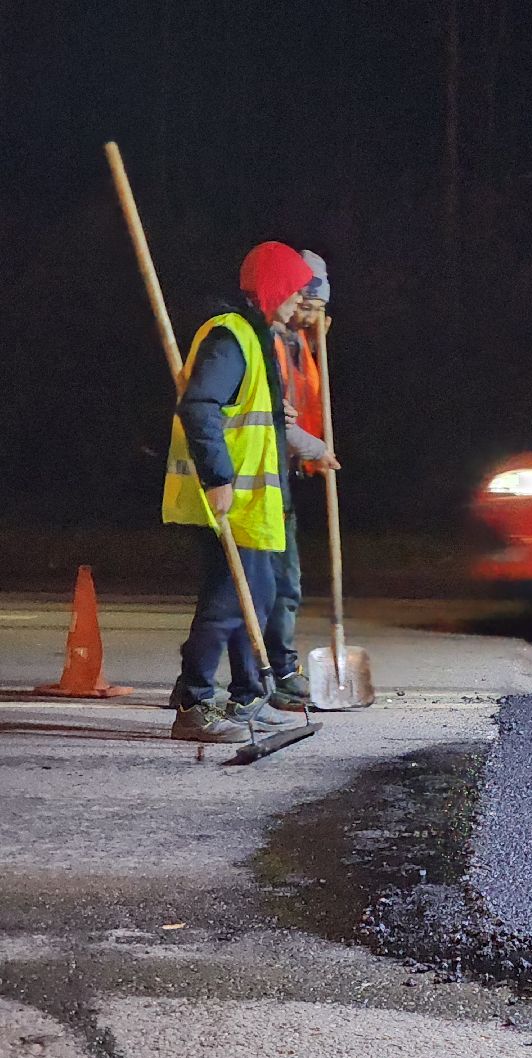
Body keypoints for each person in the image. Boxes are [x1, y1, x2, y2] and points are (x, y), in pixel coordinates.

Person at [164, 241, 321, 742]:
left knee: (256, 596)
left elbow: (256, 420)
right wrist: (218, 477)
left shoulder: (256, 338)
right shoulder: (230, 338)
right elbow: (200, 406)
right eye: (295, 291)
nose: (300, 303)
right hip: (229, 497)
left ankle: (248, 696)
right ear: (274, 287)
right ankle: (193, 702)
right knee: (230, 603)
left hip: (256, 502)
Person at [265, 250, 339, 709]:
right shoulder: (268, 342)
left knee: (271, 583)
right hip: (262, 475)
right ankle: (278, 671)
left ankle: (264, 671)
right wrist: (316, 450)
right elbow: (277, 418)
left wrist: (311, 343)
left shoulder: (295, 345)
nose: (310, 314)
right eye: (307, 303)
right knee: (277, 582)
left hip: (282, 475)